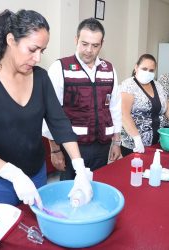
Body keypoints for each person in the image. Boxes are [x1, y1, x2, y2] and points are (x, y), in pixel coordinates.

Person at [0, 9, 92, 210]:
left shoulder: (40, 78)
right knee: (5, 236)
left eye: (42, 51)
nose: (37, 58)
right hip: (0, 180)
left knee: (36, 229)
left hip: (36, 173)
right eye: (32, 49)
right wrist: (13, 174)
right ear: (11, 40)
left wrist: (79, 167)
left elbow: (60, 123)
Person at [42, 18, 122, 180]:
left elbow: (115, 107)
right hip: (73, 147)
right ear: (76, 40)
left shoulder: (109, 69)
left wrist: (117, 141)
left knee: (98, 188)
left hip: (102, 145)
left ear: (102, 44)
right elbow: (50, 113)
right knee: (71, 194)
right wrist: (55, 150)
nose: (89, 50)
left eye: (95, 45)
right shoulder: (60, 68)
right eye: (84, 44)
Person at [120, 54, 169, 157]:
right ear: (136, 67)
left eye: (151, 70)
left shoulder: (157, 85)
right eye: (144, 69)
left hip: (156, 143)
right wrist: (137, 139)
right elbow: (124, 115)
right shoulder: (128, 86)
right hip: (134, 146)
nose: (147, 72)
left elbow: (167, 107)